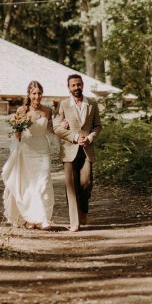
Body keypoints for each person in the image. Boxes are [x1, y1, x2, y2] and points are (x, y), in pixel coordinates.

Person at [1, 80, 56, 230]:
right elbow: (17, 133)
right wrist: (17, 131)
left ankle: (42, 217)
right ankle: (31, 218)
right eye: (34, 93)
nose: (37, 96)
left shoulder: (48, 110)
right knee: (29, 184)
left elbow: (52, 129)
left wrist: (63, 126)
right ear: (29, 94)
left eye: (39, 93)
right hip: (27, 149)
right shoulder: (22, 110)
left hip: (43, 149)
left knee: (44, 182)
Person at [53, 74, 102, 232]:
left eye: (78, 84)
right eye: (73, 85)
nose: (76, 88)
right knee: (71, 186)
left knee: (86, 183)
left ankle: (83, 210)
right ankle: (75, 222)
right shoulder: (64, 105)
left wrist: (90, 137)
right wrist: (73, 137)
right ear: (68, 87)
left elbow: (97, 126)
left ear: (83, 85)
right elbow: (57, 127)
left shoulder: (92, 103)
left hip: (87, 149)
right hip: (69, 149)